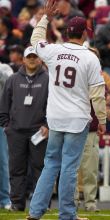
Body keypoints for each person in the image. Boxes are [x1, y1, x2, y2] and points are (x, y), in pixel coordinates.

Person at [27, 1, 106, 220]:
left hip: (55, 118)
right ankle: (67, 214)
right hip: (77, 119)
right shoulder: (90, 56)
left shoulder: (53, 51)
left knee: (50, 165)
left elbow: (35, 41)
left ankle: (35, 212)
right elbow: (98, 94)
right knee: (70, 167)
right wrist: (102, 120)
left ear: (68, 31)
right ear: (84, 34)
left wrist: (45, 18)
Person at [0, 46, 49, 211]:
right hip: (16, 132)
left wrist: (48, 125)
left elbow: (54, 105)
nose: (32, 59)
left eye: (35, 56)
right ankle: (17, 204)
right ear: (23, 59)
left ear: (40, 59)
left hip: (39, 131)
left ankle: (42, 205)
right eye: (29, 57)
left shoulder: (48, 78)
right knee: (16, 170)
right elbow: (4, 105)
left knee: (40, 169)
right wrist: (6, 126)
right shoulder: (13, 79)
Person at [0, 63, 13, 210]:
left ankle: (4, 199)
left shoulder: (5, 68)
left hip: (1, 122)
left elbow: (9, 83)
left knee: (3, 161)